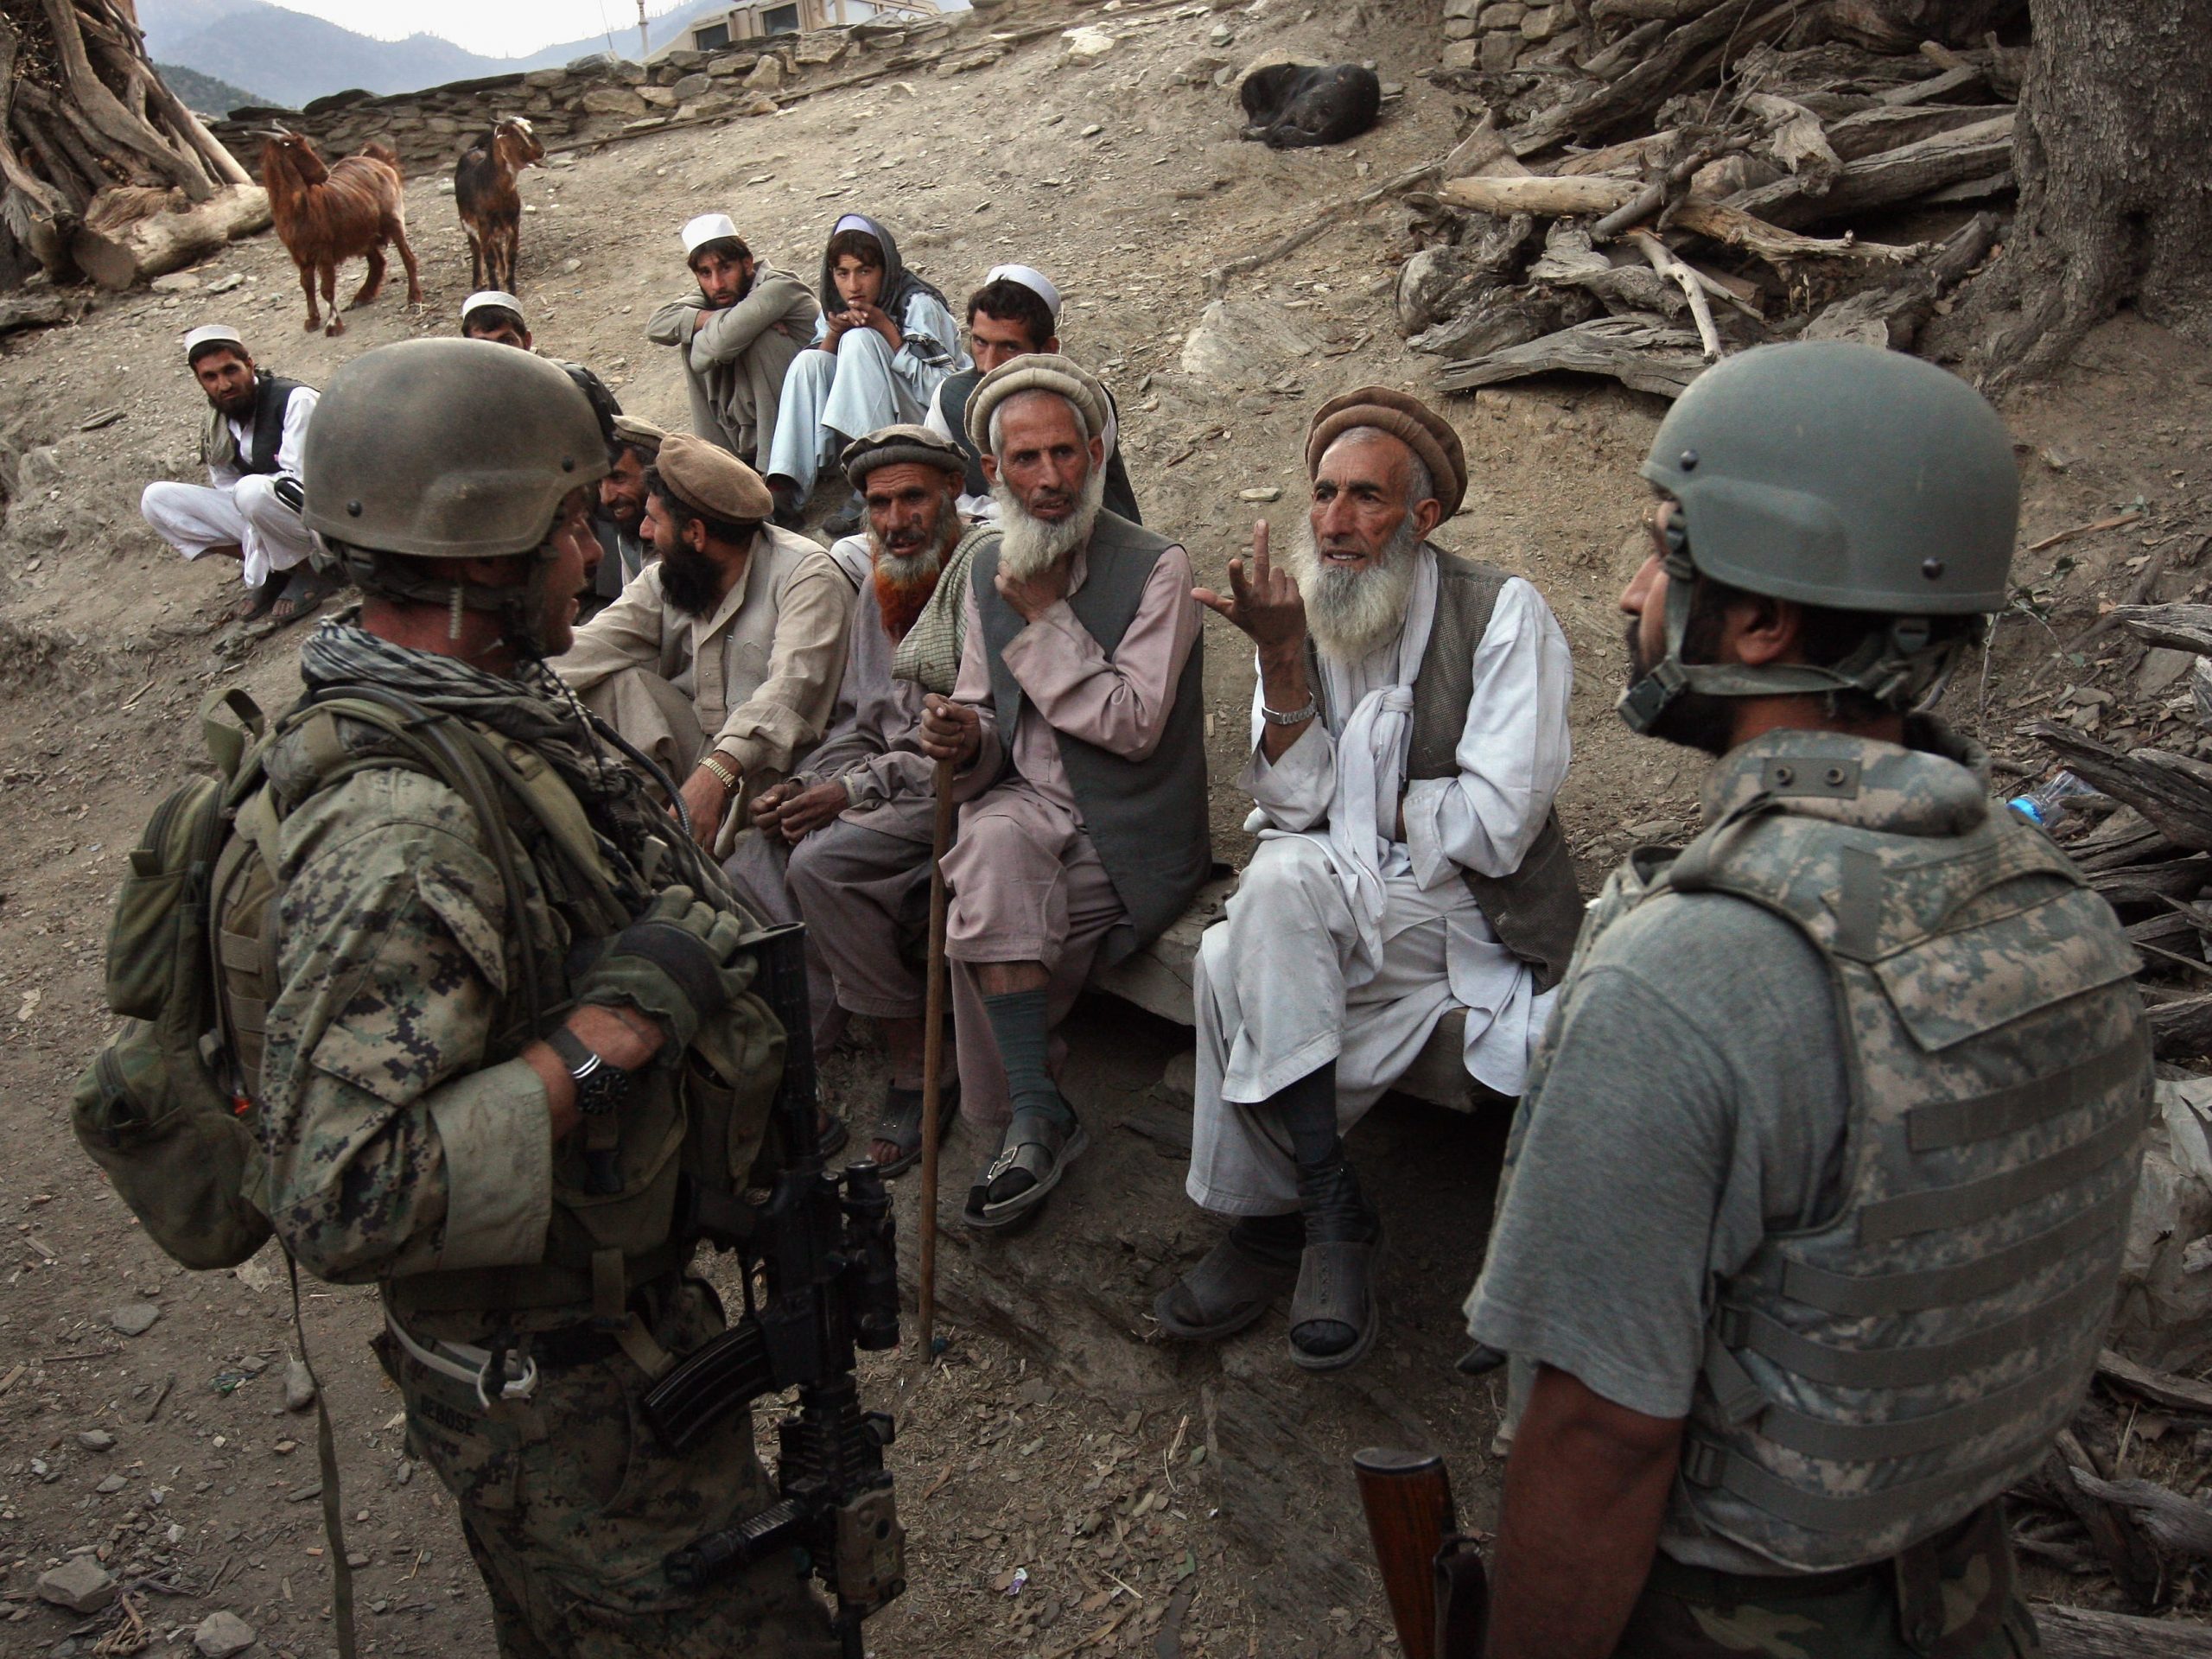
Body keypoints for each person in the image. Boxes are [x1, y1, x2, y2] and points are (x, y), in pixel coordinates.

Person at [1462, 342, 2152, 1659]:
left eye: (1666, 552)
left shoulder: (1690, 980)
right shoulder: (2047, 898)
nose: (1632, 588)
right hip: (1966, 1596)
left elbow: (1602, 1435)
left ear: (1764, 620)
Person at [261, 337, 840, 1657]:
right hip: (548, 1387)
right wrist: (607, 1042)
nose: (594, 555)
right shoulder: (403, 829)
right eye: (572, 524)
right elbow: (338, 1191)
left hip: (602, 1330)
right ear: (479, 553)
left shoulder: (500, 703)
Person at [1158, 387, 1580, 1373]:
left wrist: (1364, 801)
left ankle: (1273, 1225)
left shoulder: (1502, 613)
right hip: (1340, 886)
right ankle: (1330, 1208)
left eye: (1366, 501)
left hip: (1467, 905)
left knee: (1232, 956)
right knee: (1267, 901)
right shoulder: (1297, 616)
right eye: (1323, 495)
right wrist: (1280, 659)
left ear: (1422, 519)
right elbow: (1295, 806)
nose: (1336, 524)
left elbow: (1494, 822)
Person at [915, 355, 1209, 1230]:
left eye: (1064, 455)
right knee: (988, 854)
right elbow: (981, 713)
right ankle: (1039, 1108)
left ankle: (1021, 1116)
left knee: (983, 904)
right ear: (993, 472)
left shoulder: (1157, 567)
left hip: (1129, 823)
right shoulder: (983, 569)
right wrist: (963, 738)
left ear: (1094, 454)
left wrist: (1047, 619)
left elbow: (1132, 723)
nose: (1048, 479)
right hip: (1024, 806)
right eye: (1025, 460)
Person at [744, 425, 996, 1173]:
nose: (894, 520)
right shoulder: (879, 581)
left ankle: (920, 1064)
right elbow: (859, 719)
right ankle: (798, 1066)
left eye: (912, 498)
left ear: (952, 491)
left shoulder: (985, 577)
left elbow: (973, 737)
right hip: (885, 783)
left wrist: (848, 790)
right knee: (756, 850)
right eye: (878, 504)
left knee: (827, 862)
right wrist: (804, 786)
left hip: (966, 786)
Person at [555, 433, 851, 859]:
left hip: (778, 769)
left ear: (695, 533)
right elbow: (590, 646)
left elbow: (788, 698)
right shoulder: (670, 577)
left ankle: (685, 849)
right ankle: (643, 828)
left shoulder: (806, 577)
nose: (643, 531)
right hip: (701, 751)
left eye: (655, 521)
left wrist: (715, 776)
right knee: (608, 683)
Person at [764, 214, 969, 534]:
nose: (853, 286)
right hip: (860, 429)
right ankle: (784, 487)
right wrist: (833, 334)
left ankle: (875, 484)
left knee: (861, 339)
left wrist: (888, 332)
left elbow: (944, 389)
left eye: (865, 271)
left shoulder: (917, 304)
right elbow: (822, 373)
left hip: (924, 425)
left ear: (885, 270)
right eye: (842, 273)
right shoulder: (835, 304)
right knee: (809, 362)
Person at [140, 323, 329, 625]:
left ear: (249, 365)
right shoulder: (218, 421)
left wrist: (256, 504)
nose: (224, 385)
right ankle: (277, 569)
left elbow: (305, 482)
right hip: (264, 510)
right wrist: (257, 538)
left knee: (252, 490)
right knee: (157, 500)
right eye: (210, 377)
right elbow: (225, 485)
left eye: (231, 371)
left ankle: (314, 570)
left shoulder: (295, 400)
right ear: (200, 381)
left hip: (324, 515)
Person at [459, 289, 632, 617]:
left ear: (526, 339)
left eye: (506, 341)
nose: (498, 355)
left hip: (593, 516)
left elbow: (619, 447)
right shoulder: (466, 409)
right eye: (484, 343)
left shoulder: (573, 382)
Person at [925, 265, 1141, 525]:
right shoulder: (951, 397)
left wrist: (982, 517)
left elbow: (1077, 498)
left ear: (1048, 350)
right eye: (981, 342)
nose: (989, 365)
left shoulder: (1084, 400)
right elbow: (941, 493)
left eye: (1010, 347)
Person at [645, 213, 818, 473]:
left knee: (761, 339)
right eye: (705, 273)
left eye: (725, 268)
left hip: (811, 422)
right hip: (750, 420)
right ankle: (723, 469)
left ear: (747, 264)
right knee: (692, 336)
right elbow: (657, 325)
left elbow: (719, 346)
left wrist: (718, 328)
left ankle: (780, 477)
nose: (717, 283)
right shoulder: (717, 295)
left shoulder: (780, 287)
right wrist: (723, 319)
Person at [594, 413, 664, 608]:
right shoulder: (628, 540)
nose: (606, 498)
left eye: (618, 478)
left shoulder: (694, 533)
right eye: (599, 483)